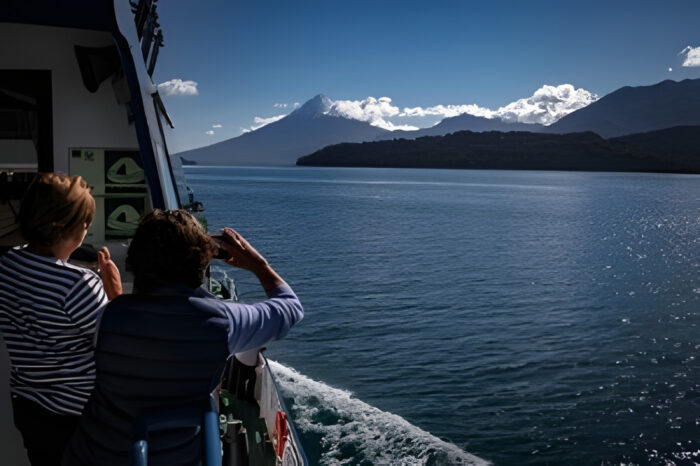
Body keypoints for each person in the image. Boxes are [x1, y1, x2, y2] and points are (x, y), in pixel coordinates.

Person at [63, 209, 303, 465]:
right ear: (201, 262)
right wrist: (257, 264)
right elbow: (291, 307)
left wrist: (117, 296)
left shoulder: (109, 316)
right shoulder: (224, 322)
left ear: (136, 260)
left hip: (94, 455)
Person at [0, 173, 122, 465]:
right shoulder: (79, 284)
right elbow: (118, 340)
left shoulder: (7, 264)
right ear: (60, 227)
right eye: (84, 223)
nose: (87, 230)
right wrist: (114, 292)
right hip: (76, 416)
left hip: (29, 407)